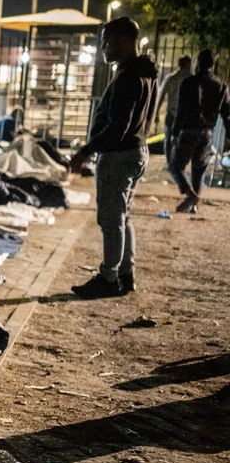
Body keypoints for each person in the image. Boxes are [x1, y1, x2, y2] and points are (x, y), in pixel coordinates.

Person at [68, 17, 158, 298]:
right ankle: (125, 273)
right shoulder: (146, 72)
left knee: (111, 220)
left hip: (119, 156)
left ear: (122, 40)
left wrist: (86, 150)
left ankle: (108, 277)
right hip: (136, 152)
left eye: (106, 41)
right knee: (123, 216)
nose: (104, 47)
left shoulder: (129, 76)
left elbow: (118, 125)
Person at [169, 49, 230, 215]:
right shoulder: (221, 86)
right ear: (212, 64)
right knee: (199, 168)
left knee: (176, 164)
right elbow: (227, 114)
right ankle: (194, 206)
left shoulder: (188, 83)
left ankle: (190, 194)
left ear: (198, 63)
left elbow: (181, 111)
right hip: (207, 132)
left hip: (189, 130)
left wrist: (175, 133)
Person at [156, 55, 192, 165]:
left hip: (171, 113)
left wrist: (156, 112)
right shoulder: (192, 79)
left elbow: (161, 96)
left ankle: (169, 162)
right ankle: (178, 162)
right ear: (188, 64)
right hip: (186, 115)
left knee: (168, 139)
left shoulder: (170, 78)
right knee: (183, 139)